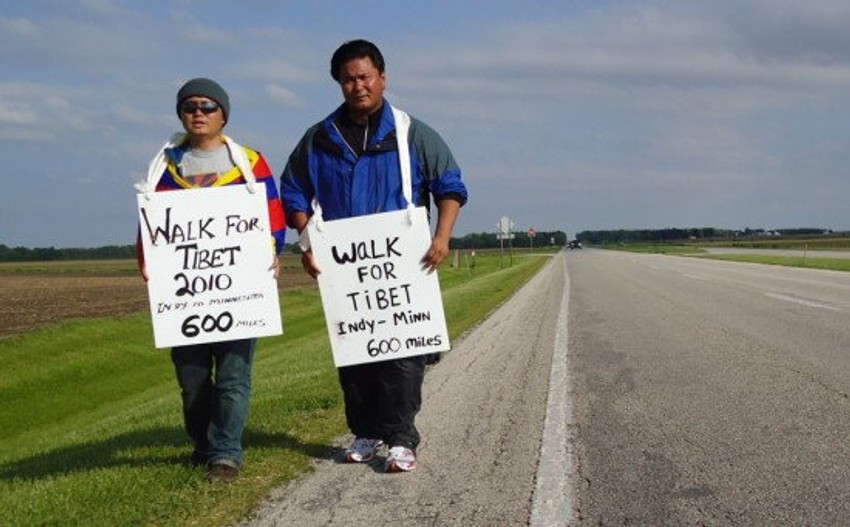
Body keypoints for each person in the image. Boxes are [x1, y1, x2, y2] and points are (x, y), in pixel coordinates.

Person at [280, 39, 468, 473]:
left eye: (365, 76)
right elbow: (292, 189)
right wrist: (307, 241)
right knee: (356, 353)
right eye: (348, 79)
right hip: (346, 269)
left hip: (403, 264)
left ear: (382, 78)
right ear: (338, 84)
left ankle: (402, 438)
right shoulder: (319, 138)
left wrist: (442, 238)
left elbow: (450, 186)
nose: (358, 85)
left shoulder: (412, 133)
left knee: (402, 355)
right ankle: (366, 432)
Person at [136, 78, 287, 483]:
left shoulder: (250, 163)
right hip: (185, 294)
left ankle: (226, 453)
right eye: (189, 107)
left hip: (238, 292)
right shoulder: (163, 167)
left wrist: (273, 251)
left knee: (234, 377)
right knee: (193, 380)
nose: (198, 113)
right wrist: (148, 262)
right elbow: (151, 225)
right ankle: (202, 445)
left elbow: (272, 215)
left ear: (224, 114)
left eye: (207, 106)